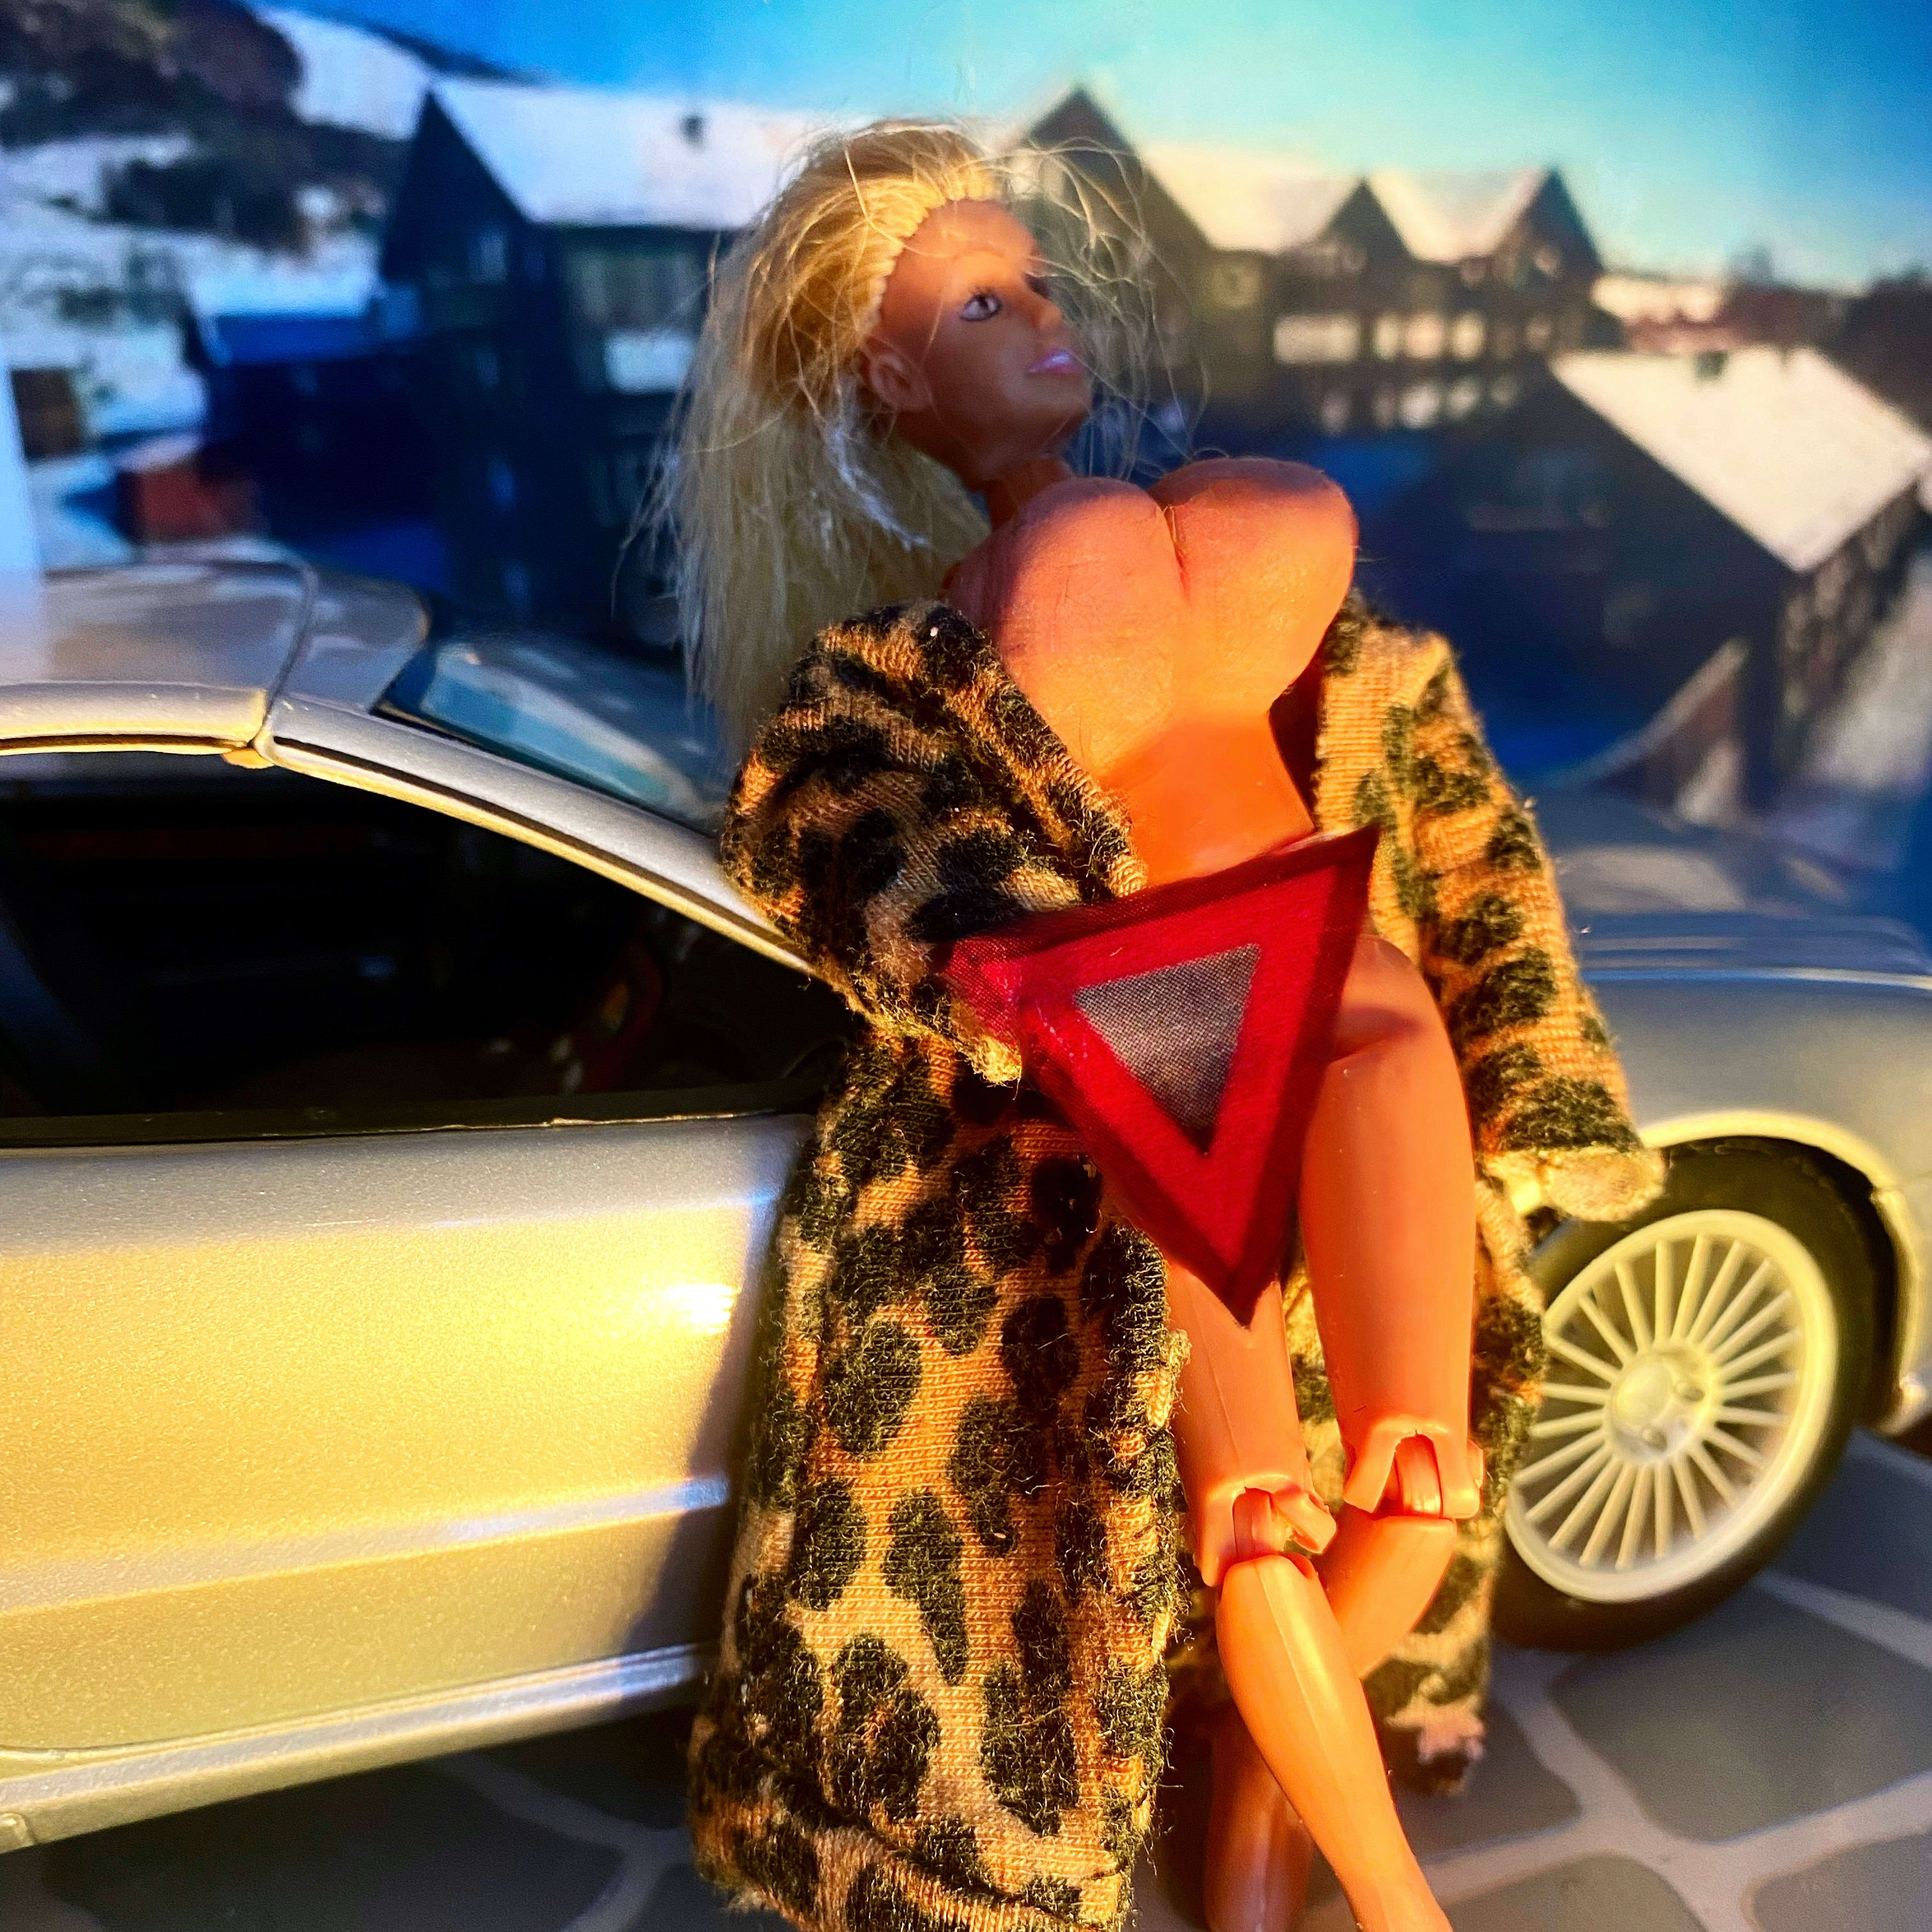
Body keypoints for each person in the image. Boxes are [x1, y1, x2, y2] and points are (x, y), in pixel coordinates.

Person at [668, 122, 1660, 1932]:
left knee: (1420, 1476)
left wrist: (1522, 1021)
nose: (1045, 317)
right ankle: (1391, 1901)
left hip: (1366, 988)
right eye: (983, 305)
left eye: (1038, 280)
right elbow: (835, 835)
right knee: (1257, 1508)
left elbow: (1425, 772)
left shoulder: (1205, 515)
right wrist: (995, 967)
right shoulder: (909, 652)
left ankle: (1268, 1796)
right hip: (1176, 1026)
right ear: (891, 381)